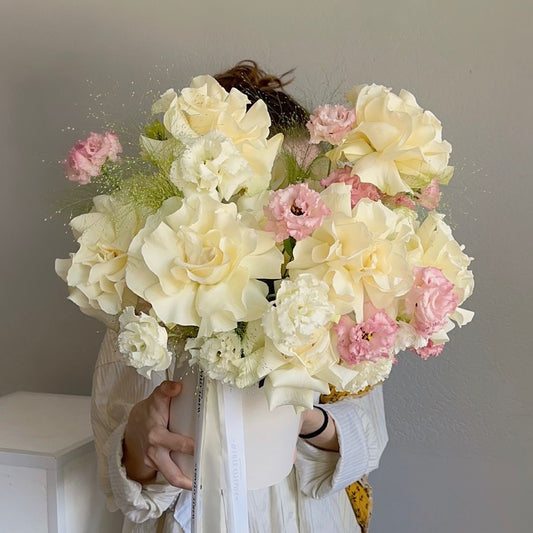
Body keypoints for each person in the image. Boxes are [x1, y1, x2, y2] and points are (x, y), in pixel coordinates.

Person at [91, 61, 389, 533]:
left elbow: (369, 441)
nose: (284, 226)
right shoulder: (149, 304)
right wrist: (138, 440)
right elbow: (119, 484)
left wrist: (306, 416)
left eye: (298, 203)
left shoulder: (335, 294)